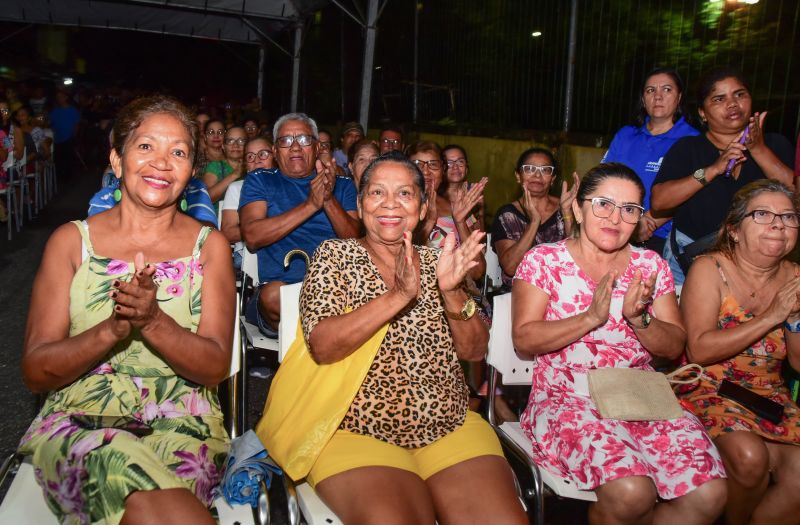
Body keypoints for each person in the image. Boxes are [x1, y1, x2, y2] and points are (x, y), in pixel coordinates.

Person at [261, 152, 527, 524]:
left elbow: (474, 350)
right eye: (377, 193)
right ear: (360, 204)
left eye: (404, 194)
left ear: (422, 209)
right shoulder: (335, 256)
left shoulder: (439, 261)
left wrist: (451, 293)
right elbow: (323, 346)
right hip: (353, 428)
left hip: (447, 422)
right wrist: (398, 296)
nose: (390, 204)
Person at [18, 95, 234, 524]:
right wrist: (112, 330)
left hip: (183, 421)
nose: (162, 162)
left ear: (191, 172)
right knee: (138, 482)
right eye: (145, 146)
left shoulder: (210, 248)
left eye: (178, 152)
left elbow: (213, 368)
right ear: (116, 161)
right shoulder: (71, 242)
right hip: (79, 418)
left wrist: (153, 321)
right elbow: (36, 371)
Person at [513, 163, 727, 525]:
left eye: (629, 209)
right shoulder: (544, 261)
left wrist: (639, 319)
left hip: (639, 395)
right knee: (632, 492)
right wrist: (588, 319)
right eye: (603, 204)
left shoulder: (650, 266)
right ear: (579, 209)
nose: (615, 218)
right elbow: (524, 337)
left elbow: (673, 344)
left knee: (709, 494)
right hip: (568, 398)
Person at [679, 180, 800, 525]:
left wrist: (793, 321)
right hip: (708, 389)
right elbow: (699, 350)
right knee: (749, 457)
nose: (778, 224)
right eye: (762, 214)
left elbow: (797, 363)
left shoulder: (796, 276)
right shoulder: (709, 269)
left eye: (789, 217)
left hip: (769, 398)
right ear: (733, 230)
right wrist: (772, 316)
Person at [651, 67, 795, 285]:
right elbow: (660, 201)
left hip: (761, 269)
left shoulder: (775, 145)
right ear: (702, 112)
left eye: (739, 94)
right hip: (690, 264)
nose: (732, 103)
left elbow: (795, 194)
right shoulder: (689, 148)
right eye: (719, 99)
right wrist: (712, 170)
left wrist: (758, 149)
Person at [239, 112, 359, 337]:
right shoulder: (261, 180)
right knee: (273, 295)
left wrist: (327, 199)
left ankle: (322, 339)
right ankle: (325, 338)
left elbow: (355, 243)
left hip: (336, 291)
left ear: (316, 148)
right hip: (282, 291)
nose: (295, 147)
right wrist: (310, 206)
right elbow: (253, 237)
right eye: (285, 141)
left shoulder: (342, 185)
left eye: (303, 139)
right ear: (275, 151)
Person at [602, 67, 700, 254]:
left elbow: (689, 192)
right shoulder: (626, 135)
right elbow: (603, 179)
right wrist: (628, 221)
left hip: (662, 238)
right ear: (643, 98)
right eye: (650, 90)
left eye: (667, 89)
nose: (658, 96)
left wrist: (647, 223)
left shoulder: (692, 141)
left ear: (679, 97)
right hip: (615, 226)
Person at [492, 147, 579, 293]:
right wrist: (534, 222)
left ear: (553, 179)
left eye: (545, 170)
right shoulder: (506, 215)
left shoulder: (566, 207)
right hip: (517, 294)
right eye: (530, 168)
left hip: (562, 292)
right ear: (518, 176)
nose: (537, 175)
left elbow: (579, 257)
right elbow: (510, 267)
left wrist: (567, 213)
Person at [408, 140, 486, 280]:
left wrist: (460, 222)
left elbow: (477, 272)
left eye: (433, 164)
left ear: (443, 170)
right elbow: (401, 262)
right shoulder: (397, 207)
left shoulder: (457, 208)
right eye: (418, 164)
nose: (426, 171)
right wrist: (429, 222)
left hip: (455, 293)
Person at [222, 137, 274, 270]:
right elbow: (228, 232)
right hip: (248, 255)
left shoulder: (287, 185)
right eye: (250, 157)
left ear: (275, 155)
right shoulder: (236, 188)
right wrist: (260, 230)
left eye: (263, 154)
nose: (257, 160)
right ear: (246, 165)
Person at [443, 144, 485, 232]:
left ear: (466, 168)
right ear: (441, 168)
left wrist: (480, 211)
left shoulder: (471, 193)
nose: (455, 167)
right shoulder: (434, 195)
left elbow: (480, 237)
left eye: (460, 162)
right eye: (449, 163)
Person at [203, 126, 246, 204]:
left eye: (241, 141)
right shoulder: (215, 166)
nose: (235, 145)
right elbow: (206, 198)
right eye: (230, 141)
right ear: (223, 146)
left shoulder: (254, 166)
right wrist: (235, 174)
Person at [49, 90, 81, 182]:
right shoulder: (55, 111)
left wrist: (74, 136)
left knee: (67, 157)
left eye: (61, 96)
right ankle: (58, 177)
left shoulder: (72, 110)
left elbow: (76, 124)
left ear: (66, 97)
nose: (59, 98)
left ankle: (67, 177)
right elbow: (51, 122)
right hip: (57, 137)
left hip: (68, 137)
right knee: (58, 158)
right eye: (58, 97)